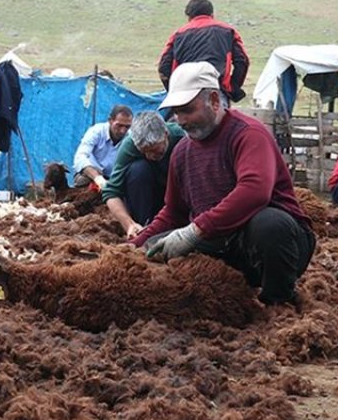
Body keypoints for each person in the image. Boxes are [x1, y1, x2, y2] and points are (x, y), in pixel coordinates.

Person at [132, 62, 315, 305]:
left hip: (265, 245)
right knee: (155, 247)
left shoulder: (249, 135)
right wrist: (134, 246)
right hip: (218, 243)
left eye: (187, 110)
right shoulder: (181, 152)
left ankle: (278, 300)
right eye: (176, 112)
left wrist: (194, 230)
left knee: (270, 224)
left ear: (215, 101)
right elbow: (173, 212)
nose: (181, 120)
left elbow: (254, 192)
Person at [102, 111, 186, 240]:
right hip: (148, 195)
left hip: (177, 193)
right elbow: (111, 192)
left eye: (155, 150)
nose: (150, 156)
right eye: (144, 151)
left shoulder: (182, 137)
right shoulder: (129, 146)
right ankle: (144, 227)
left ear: (165, 135)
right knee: (138, 169)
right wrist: (129, 224)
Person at [157, 0, 251, 103]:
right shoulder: (228, 32)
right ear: (212, 14)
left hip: (185, 94)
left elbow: (164, 67)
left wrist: (174, 90)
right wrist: (233, 87)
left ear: (189, 16)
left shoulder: (178, 35)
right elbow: (242, 61)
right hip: (216, 91)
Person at [73, 105, 132, 188]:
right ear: (110, 121)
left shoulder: (131, 138)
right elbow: (80, 157)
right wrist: (98, 178)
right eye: (119, 125)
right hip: (91, 175)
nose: (123, 131)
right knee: (82, 181)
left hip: (115, 179)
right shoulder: (96, 131)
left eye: (127, 126)